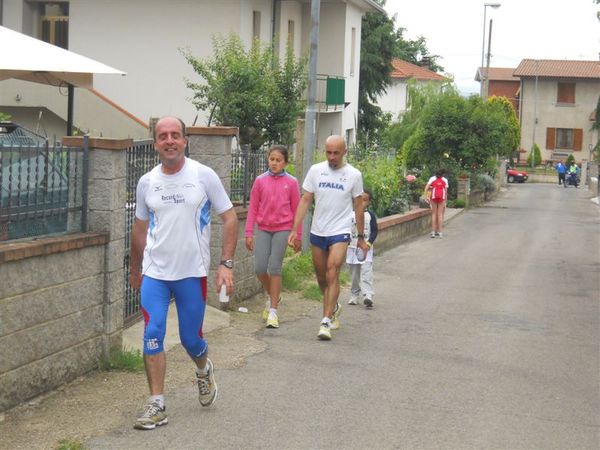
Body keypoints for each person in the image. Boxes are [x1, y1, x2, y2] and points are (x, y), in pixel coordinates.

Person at [129, 116, 238, 430]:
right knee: (152, 334)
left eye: (175, 135)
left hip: (191, 273)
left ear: (185, 140)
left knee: (191, 339)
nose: (169, 141)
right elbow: (139, 230)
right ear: (155, 144)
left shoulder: (203, 176)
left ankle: (203, 369)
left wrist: (226, 264)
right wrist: (136, 269)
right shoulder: (147, 182)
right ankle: (157, 404)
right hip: (155, 273)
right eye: (163, 136)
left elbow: (230, 219)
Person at [288, 135, 369, 340]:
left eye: (336, 153)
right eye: (328, 152)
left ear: (344, 152)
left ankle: (325, 321)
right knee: (322, 276)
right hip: (318, 230)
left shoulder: (354, 175)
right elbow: (306, 200)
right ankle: (333, 306)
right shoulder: (316, 170)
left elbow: (358, 206)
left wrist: (360, 237)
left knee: (333, 270)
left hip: (340, 231)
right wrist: (294, 229)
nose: (332, 157)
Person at [245, 145, 302, 329]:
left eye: (278, 160)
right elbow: (253, 207)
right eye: (272, 159)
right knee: (260, 268)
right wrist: (248, 233)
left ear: (285, 162)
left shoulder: (292, 182)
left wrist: (298, 234)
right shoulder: (260, 181)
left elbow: (297, 210)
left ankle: (273, 311)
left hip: (283, 229)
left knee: (275, 268)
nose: (274, 163)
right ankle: (273, 294)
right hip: (263, 228)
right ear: (267, 160)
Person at [346, 190, 378, 308]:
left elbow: (374, 231)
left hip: (366, 250)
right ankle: (354, 294)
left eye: (365, 200)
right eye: (359, 199)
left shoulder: (370, 216)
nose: (362, 203)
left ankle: (368, 295)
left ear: (369, 202)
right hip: (352, 248)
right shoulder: (349, 214)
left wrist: (368, 244)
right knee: (354, 274)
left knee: (366, 272)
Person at [424, 169, 449, 238]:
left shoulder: (432, 178)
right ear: (443, 174)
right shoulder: (445, 180)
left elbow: (426, 187)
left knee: (434, 214)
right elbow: (446, 192)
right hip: (442, 198)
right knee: (440, 214)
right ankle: (440, 232)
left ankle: (433, 232)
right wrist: (445, 201)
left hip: (433, 198)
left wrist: (425, 196)